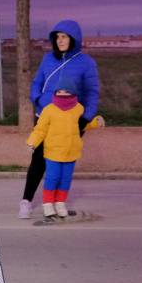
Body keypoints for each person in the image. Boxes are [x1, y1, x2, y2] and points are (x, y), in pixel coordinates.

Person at [20, 20, 100, 219]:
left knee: (63, 163)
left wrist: (85, 118)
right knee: (38, 161)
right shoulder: (48, 59)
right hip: (45, 117)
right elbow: (37, 82)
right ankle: (26, 201)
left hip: (71, 121)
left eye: (64, 37)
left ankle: (58, 202)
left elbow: (92, 93)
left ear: (74, 38)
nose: (60, 40)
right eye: (57, 37)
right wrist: (38, 99)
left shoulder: (86, 63)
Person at [25, 82, 104, 221]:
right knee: (52, 178)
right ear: (55, 92)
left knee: (65, 180)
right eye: (60, 91)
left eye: (66, 91)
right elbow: (40, 129)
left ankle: (60, 203)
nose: (63, 94)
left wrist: (94, 123)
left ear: (73, 93)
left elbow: (81, 127)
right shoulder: (49, 110)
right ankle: (48, 204)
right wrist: (32, 142)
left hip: (71, 152)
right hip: (53, 152)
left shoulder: (79, 109)